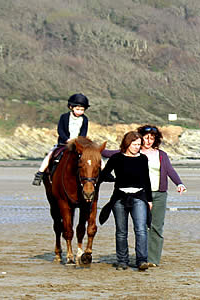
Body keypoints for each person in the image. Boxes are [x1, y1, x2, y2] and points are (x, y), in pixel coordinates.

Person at [102, 125, 186, 267]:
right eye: (145, 138)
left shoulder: (160, 155)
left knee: (154, 227)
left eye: (151, 138)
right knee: (129, 229)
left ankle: (150, 260)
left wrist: (179, 183)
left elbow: (170, 170)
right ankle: (129, 259)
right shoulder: (132, 150)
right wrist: (94, 148)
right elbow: (113, 156)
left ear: (156, 140)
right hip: (136, 194)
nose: (148, 141)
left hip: (156, 193)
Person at [98, 131, 153, 271]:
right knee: (121, 231)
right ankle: (122, 261)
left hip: (139, 197)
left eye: (139, 145)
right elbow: (104, 174)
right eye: (134, 144)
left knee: (141, 230)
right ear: (127, 143)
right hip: (119, 198)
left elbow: (147, 180)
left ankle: (141, 260)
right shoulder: (116, 158)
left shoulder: (143, 159)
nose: (137, 147)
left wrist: (149, 200)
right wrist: (114, 180)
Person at [32, 93, 90, 186]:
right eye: (77, 109)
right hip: (64, 143)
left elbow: (84, 132)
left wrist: (79, 140)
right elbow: (60, 130)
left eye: (82, 110)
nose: (80, 111)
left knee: (93, 156)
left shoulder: (85, 119)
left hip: (78, 143)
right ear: (71, 107)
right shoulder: (64, 117)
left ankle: (104, 173)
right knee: (50, 155)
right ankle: (39, 174)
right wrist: (66, 139)